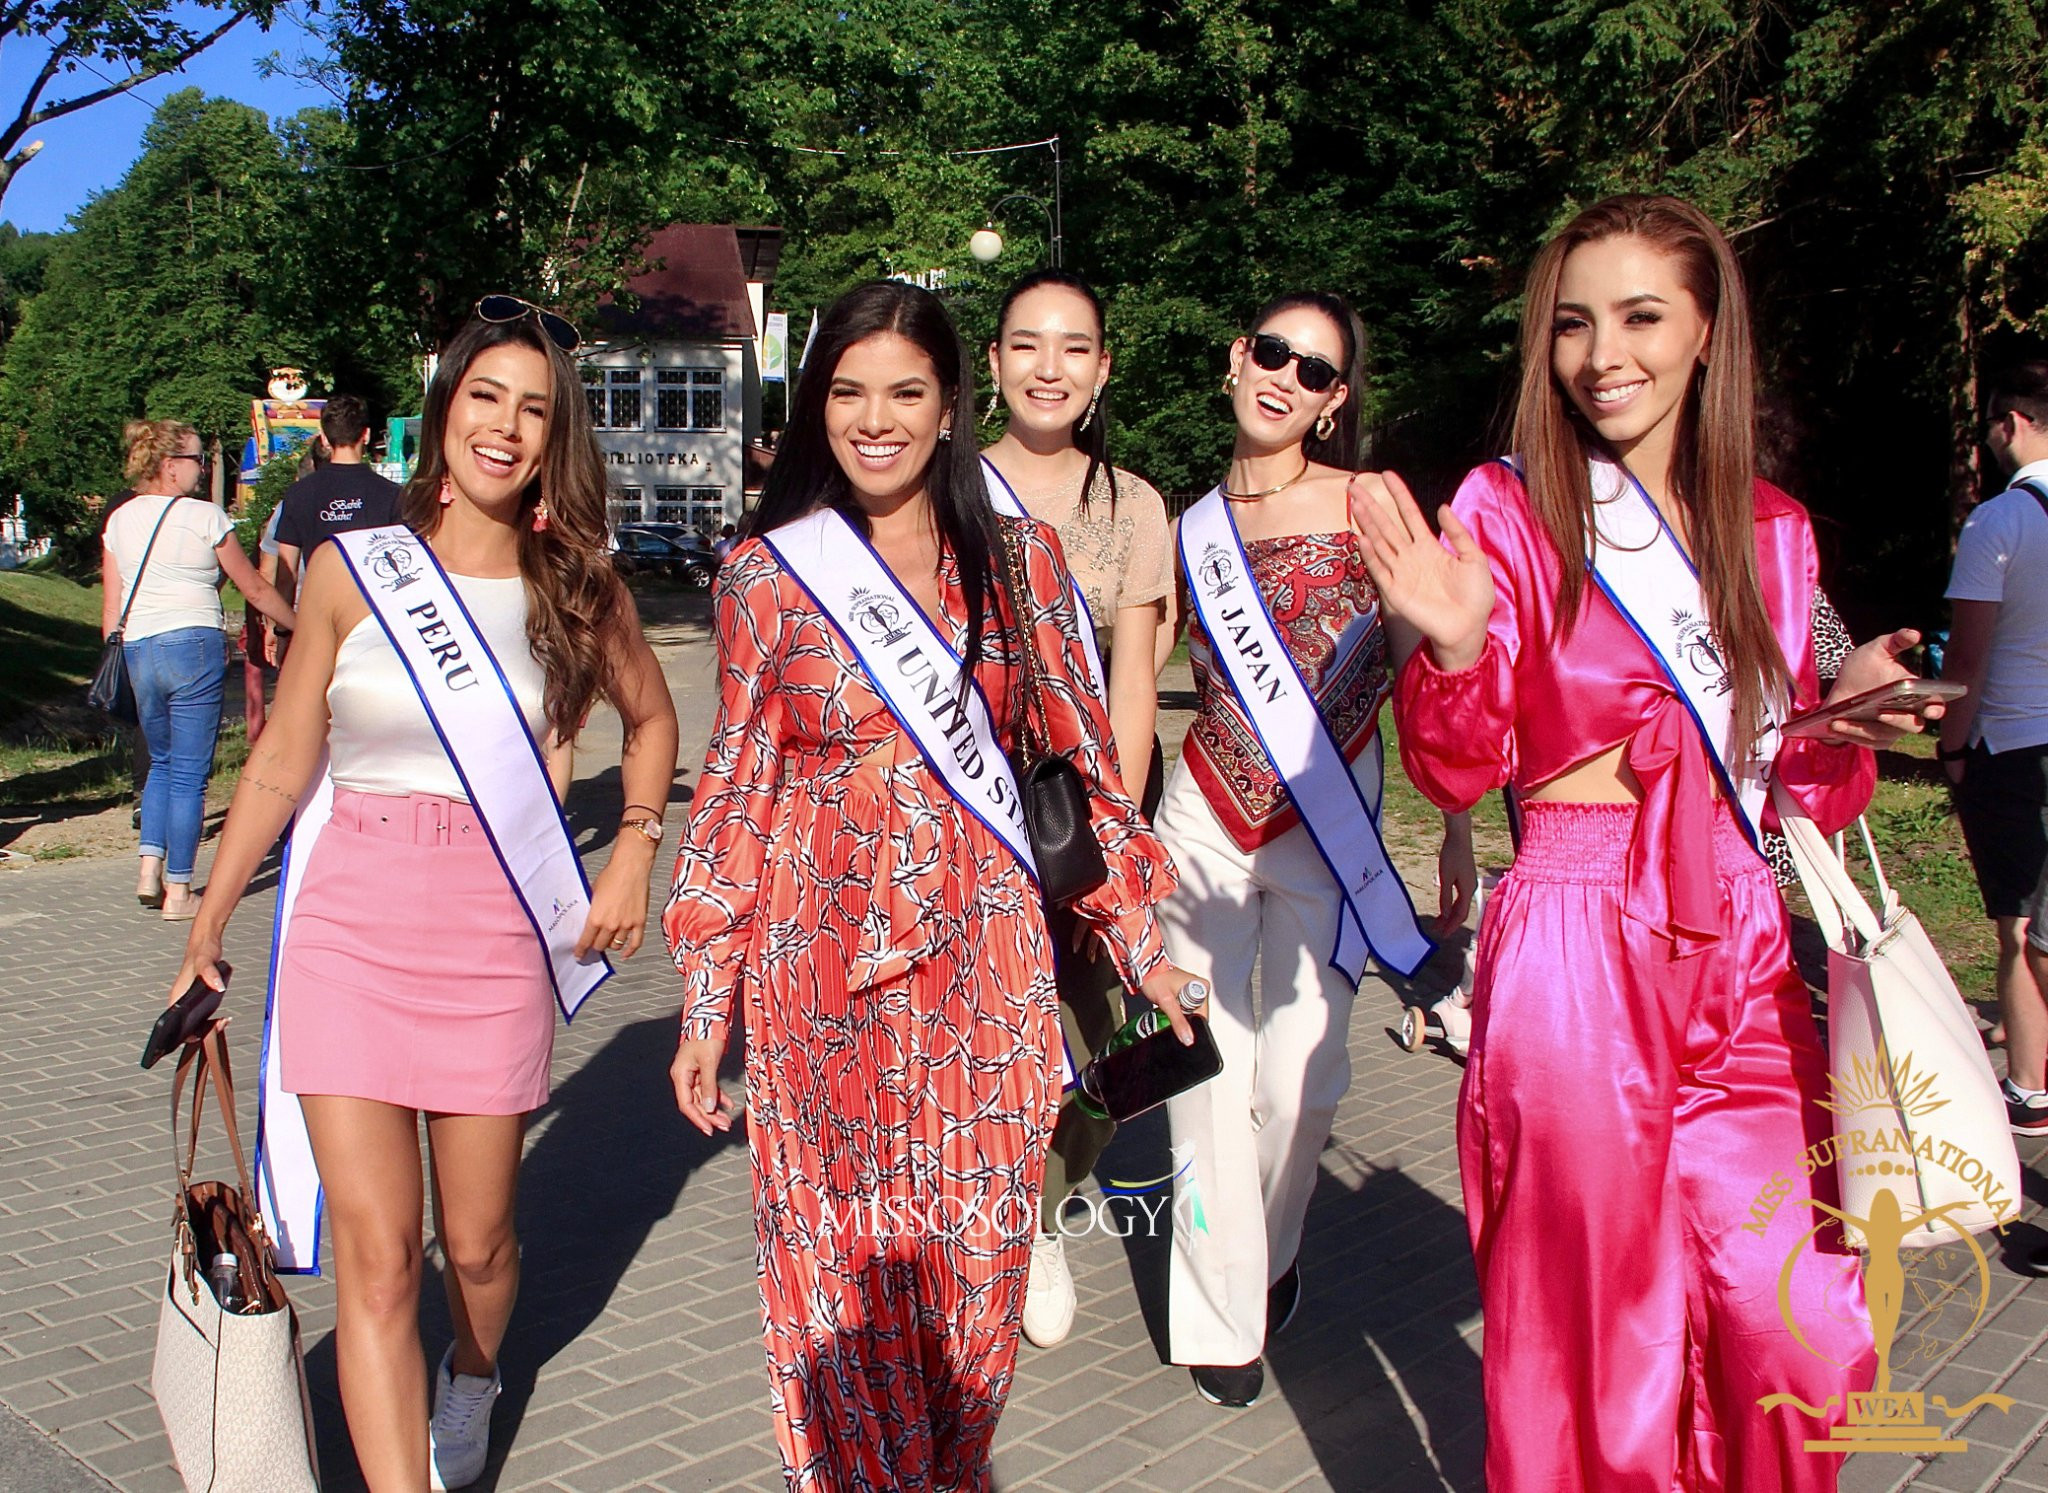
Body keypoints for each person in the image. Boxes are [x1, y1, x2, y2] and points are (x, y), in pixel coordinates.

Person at [1353, 194, 1939, 1491]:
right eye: (1572, 324)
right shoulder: (1509, 513)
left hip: (1744, 946)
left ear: (1706, 333)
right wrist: (1451, 646)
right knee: (1598, 1346)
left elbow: (1806, 798)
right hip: (1573, 940)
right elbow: (1457, 764)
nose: (1603, 351)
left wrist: (1837, 729)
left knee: (1802, 1324)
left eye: (1639, 317)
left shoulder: (1773, 529)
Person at [664, 280, 1195, 1491]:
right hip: (822, 987)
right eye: (846, 391)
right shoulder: (764, 575)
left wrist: (1137, 945)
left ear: (950, 405)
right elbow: (737, 795)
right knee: (840, 1296)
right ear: (815, 407)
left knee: (970, 1299)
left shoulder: (1014, 561)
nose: (874, 418)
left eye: (904, 390)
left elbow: (1075, 765)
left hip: (986, 982)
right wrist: (707, 1000)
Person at [165, 303, 679, 1492]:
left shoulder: (577, 584)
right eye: (484, 398)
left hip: (496, 931)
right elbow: (287, 757)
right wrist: (206, 918)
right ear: (443, 409)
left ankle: (479, 1369)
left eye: (533, 409)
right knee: (379, 1262)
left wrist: (635, 847)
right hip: (348, 922)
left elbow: (652, 720)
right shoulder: (356, 569)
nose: (503, 427)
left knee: (480, 1245)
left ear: (555, 441)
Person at [1154, 291, 1472, 1410]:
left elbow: (1435, 662)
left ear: (1334, 402)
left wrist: (1457, 824)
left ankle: (1271, 1248)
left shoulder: (1373, 501)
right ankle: (1222, 1314)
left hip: (1328, 824)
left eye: (1315, 371)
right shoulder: (1182, 524)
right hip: (1200, 811)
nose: (1284, 377)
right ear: (1238, 356)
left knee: (1299, 1077)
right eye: (1272, 352)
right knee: (1206, 1067)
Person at [980, 267, 1174, 1348]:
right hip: (959, 810)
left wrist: (1118, 822)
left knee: (1094, 1042)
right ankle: (981, 1222)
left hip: (1073, 820)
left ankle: (1046, 1206)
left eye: (1072, 347)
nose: (1047, 367)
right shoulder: (938, 481)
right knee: (976, 1030)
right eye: (1025, 343)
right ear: (994, 360)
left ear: (1101, 369)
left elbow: (1135, 679)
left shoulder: (1130, 506)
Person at [102, 421, 295, 920]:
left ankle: (149, 866)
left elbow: (111, 607)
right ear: (169, 467)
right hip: (194, 642)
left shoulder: (119, 520)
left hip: (140, 648)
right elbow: (252, 587)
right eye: (196, 460)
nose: (203, 468)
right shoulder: (204, 517)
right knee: (190, 773)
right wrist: (298, 623)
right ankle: (180, 891)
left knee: (161, 762)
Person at [1939, 363, 2048, 1135]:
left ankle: (2030, 1086)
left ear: (2012, 422)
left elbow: (1967, 657)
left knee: (2017, 921)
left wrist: (1949, 746)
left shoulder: (1998, 523)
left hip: (2011, 737)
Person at [274, 392, 403, 593]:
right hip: (372, 610)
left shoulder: (299, 494)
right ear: (366, 435)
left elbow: (286, 573)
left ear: (324, 439)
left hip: (321, 608)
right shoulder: (392, 494)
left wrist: (283, 624)